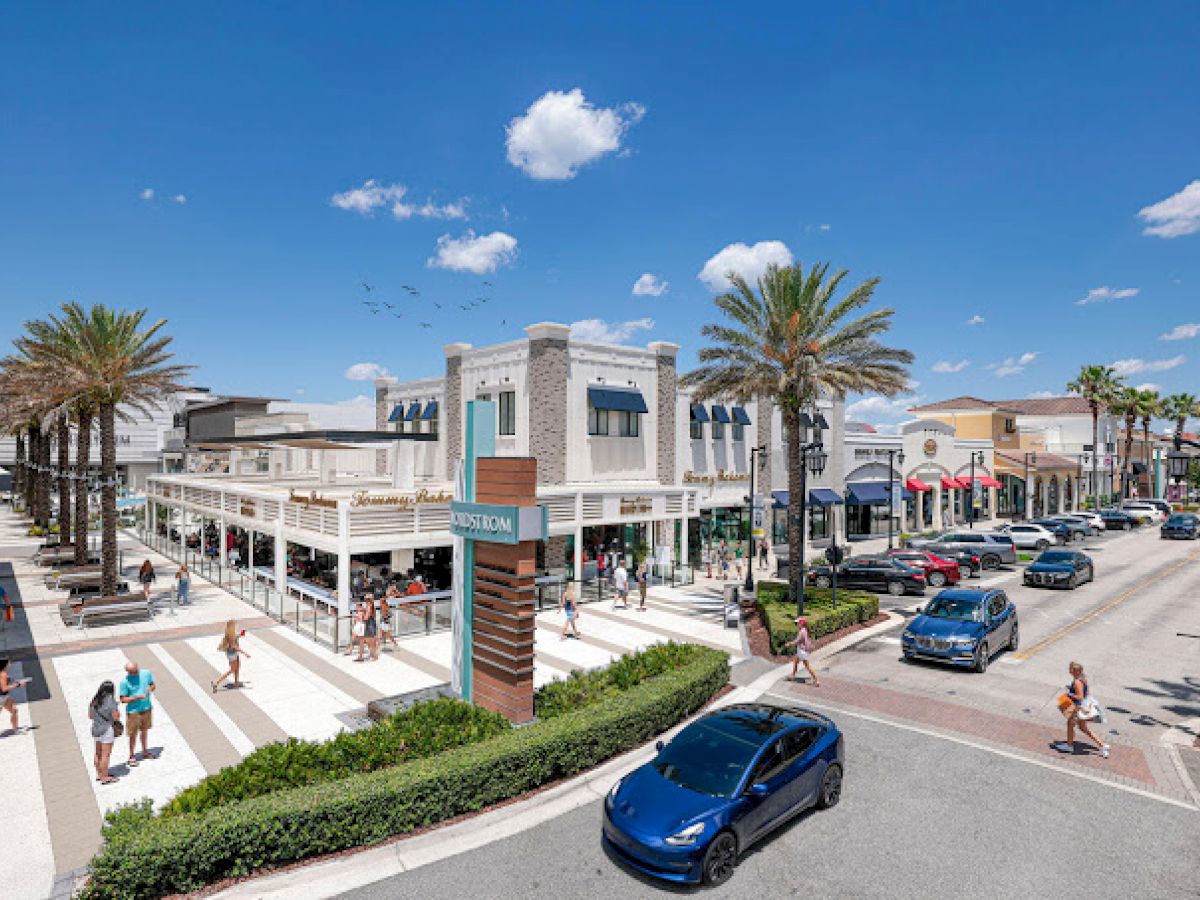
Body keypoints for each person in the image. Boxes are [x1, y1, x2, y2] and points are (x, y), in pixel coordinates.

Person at [1055, 661, 1110, 758]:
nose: (1069, 670)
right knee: (1082, 727)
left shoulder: (1077, 682)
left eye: (1071, 669)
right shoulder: (1082, 679)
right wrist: (1071, 689)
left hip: (1078, 707)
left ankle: (1069, 746)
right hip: (1082, 707)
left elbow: (1080, 697)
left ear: (1075, 671)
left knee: (1070, 724)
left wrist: (1069, 694)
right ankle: (1103, 745)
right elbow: (1085, 693)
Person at [118, 660, 156, 766]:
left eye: (135, 671)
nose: (134, 674)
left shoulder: (146, 673)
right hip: (133, 712)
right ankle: (132, 755)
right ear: (127, 672)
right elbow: (123, 700)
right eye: (131, 672)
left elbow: (153, 685)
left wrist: (151, 688)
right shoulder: (124, 682)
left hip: (147, 708)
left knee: (144, 731)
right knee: (132, 735)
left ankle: (145, 751)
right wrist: (136, 697)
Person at [88, 681, 120, 784]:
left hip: (95, 729)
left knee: (97, 753)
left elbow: (90, 716)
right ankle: (105, 777)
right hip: (106, 730)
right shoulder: (111, 702)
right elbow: (116, 717)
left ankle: (98, 774)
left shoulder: (95, 700)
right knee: (105, 755)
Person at [212, 620, 250, 690]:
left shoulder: (231, 634)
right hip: (232, 655)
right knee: (232, 669)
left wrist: (244, 631)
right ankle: (216, 681)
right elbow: (236, 647)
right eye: (235, 626)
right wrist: (245, 653)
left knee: (237, 667)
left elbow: (239, 635)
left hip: (233, 653)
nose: (236, 627)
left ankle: (236, 683)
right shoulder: (231, 637)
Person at [788, 617, 821, 686]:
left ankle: (816, 680)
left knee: (807, 666)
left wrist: (789, 643)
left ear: (801, 624)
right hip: (801, 650)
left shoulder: (802, 632)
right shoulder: (804, 630)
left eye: (797, 623)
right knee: (796, 661)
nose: (796, 624)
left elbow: (797, 641)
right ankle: (793, 675)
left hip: (802, 651)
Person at [0, 658, 21, 734]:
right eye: (9, 661)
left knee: (14, 710)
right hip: (1, 697)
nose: (10, 663)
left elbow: (8, 682)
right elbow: (4, 688)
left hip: (5, 697)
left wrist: (18, 683)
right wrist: (16, 685)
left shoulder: (3, 672)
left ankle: (15, 730)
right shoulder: (2, 674)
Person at [362, 596, 379, 661]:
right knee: (370, 640)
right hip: (371, 623)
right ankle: (373, 654)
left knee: (370, 640)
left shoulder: (369, 606)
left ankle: (373, 655)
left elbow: (366, 617)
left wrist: (362, 618)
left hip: (369, 624)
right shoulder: (372, 606)